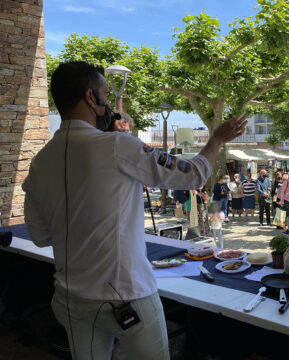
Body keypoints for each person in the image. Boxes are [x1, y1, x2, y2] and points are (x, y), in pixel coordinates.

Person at [22, 61, 246, 360]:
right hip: (125, 296)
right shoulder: (118, 145)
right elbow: (192, 174)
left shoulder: (38, 163)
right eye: (105, 93)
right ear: (92, 98)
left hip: (68, 298)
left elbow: (40, 236)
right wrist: (217, 139)